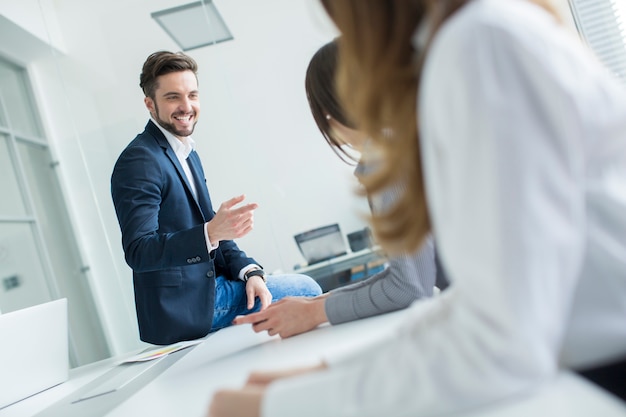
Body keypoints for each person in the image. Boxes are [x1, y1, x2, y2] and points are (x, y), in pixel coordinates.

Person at [207, 0, 626, 416]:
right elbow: (479, 301)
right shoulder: (474, 40)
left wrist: (285, 405)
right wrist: (324, 371)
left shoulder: (477, 44)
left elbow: (501, 340)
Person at [233, 40, 447, 339]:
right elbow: (407, 274)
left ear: (333, 108)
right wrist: (316, 302)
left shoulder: (384, 157)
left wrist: (312, 313)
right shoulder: (408, 136)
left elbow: (408, 287)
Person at [110, 51, 321, 346]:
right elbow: (139, 251)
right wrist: (209, 233)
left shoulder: (186, 153)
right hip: (186, 306)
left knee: (284, 288)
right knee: (306, 289)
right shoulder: (140, 161)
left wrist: (250, 271)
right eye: (173, 97)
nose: (186, 106)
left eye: (192, 95)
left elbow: (213, 228)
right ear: (150, 104)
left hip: (210, 288)